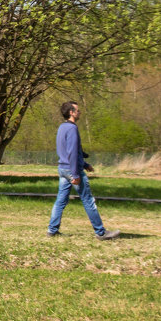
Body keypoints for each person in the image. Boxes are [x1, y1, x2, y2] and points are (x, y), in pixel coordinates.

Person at [47, 101, 121, 240]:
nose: (79, 112)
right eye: (77, 110)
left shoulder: (62, 128)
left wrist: (85, 164)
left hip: (62, 168)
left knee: (60, 201)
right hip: (71, 170)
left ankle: (52, 230)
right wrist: (75, 174)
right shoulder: (72, 129)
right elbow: (73, 152)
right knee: (88, 200)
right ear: (71, 112)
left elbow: (71, 151)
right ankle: (101, 232)